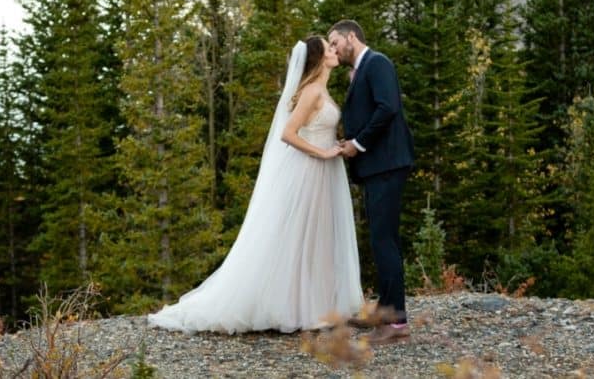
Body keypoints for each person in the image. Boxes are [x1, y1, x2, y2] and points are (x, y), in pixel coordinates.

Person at [148, 36, 362, 333]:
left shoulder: (320, 89)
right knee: (303, 238)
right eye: (329, 48)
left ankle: (318, 305)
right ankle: (301, 308)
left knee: (319, 239)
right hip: (310, 174)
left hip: (324, 173)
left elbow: (316, 129)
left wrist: (333, 144)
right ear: (318, 58)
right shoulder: (312, 91)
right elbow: (288, 134)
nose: (334, 50)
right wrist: (323, 151)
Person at [328, 19, 415, 345]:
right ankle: (385, 311)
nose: (334, 49)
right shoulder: (362, 69)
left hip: (387, 165)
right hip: (379, 167)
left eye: (335, 42)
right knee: (381, 240)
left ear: (352, 37)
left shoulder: (377, 63)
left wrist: (357, 144)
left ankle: (395, 324)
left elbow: (388, 107)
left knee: (385, 242)